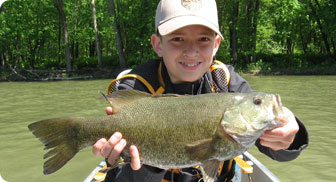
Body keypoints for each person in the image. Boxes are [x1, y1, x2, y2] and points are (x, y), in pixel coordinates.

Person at [92, 0, 309, 181]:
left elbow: (278, 152)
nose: (191, 51)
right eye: (177, 39)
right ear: (158, 44)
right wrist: (145, 164)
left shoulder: (228, 84)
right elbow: (119, 177)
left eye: (203, 39)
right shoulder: (136, 86)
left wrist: (292, 135)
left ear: (216, 44)